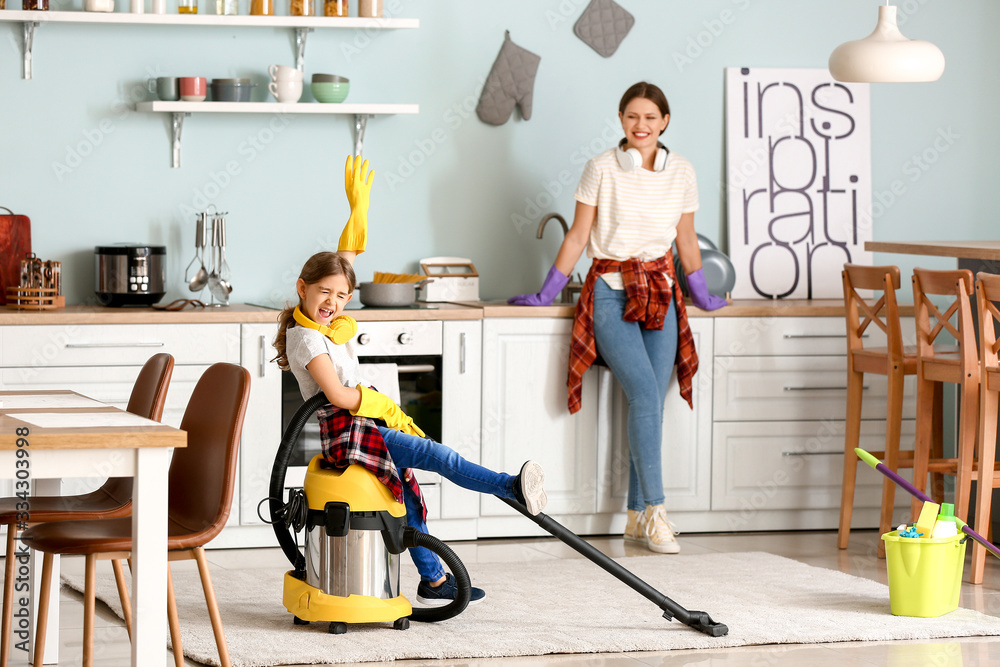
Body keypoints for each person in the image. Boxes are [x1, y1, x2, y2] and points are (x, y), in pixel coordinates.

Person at [274, 155, 547, 607]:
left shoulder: (325, 323)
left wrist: (356, 213)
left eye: (342, 296)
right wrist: (379, 405)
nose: (334, 302)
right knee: (438, 456)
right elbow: (338, 396)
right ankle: (509, 487)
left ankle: (434, 581)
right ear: (302, 288)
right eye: (324, 292)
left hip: (364, 424)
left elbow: (345, 260)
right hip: (348, 430)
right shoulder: (306, 340)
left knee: (410, 500)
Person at [509, 82, 727, 554]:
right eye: (632, 116)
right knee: (646, 394)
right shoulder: (601, 168)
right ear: (622, 120)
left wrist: (703, 293)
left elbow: (687, 240)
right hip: (609, 293)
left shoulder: (682, 171)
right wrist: (548, 293)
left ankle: (634, 518)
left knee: (650, 404)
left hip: (663, 294)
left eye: (650, 117)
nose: (641, 125)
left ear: (664, 121)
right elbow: (578, 237)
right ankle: (658, 513)